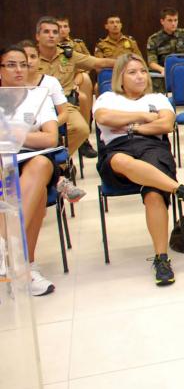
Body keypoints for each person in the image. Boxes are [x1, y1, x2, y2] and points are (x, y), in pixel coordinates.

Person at [93, 54, 184, 286]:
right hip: (117, 151)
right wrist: (143, 116)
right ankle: (181, 190)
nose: (140, 76)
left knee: (154, 193)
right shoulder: (107, 97)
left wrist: (129, 127)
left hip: (153, 147)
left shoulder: (158, 98)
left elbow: (165, 124)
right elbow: (103, 117)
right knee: (121, 161)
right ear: (120, 77)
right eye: (133, 72)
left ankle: (161, 258)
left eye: (143, 71)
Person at [0, 44, 62, 296]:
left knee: (40, 168)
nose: (19, 70)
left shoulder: (39, 96)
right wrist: (28, 134)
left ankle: (6, 247)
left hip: (33, 158)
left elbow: (51, 139)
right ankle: (25, 267)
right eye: (11, 64)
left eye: (23, 64)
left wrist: (15, 134)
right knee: (32, 197)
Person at [34, 17, 114, 158]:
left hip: (64, 105)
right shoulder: (30, 57)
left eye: (55, 32)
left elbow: (99, 63)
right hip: (37, 105)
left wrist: (129, 61)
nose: (51, 35)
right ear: (37, 36)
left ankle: (59, 161)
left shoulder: (69, 55)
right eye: (46, 32)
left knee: (81, 129)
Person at [19, 40, 85, 203]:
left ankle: (58, 177)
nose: (29, 61)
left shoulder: (49, 83)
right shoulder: (8, 86)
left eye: (33, 56)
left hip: (42, 134)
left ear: (39, 59)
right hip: (14, 141)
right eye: (24, 58)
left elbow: (63, 113)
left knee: (45, 148)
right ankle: (59, 180)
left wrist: (48, 127)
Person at [56, 16, 96, 157]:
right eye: (59, 27)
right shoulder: (47, 50)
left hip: (74, 82)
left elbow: (87, 65)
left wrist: (74, 84)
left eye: (65, 26)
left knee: (84, 84)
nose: (62, 30)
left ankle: (84, 140)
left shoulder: (76, 44)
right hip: (55, 89)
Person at [146, 7, 184, 92]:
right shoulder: (154, 39)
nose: (173, 23)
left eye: (175, 20)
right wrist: (163, 69)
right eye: (170, 20)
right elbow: (152, 62)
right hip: (164, 74)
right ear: (162, 21)